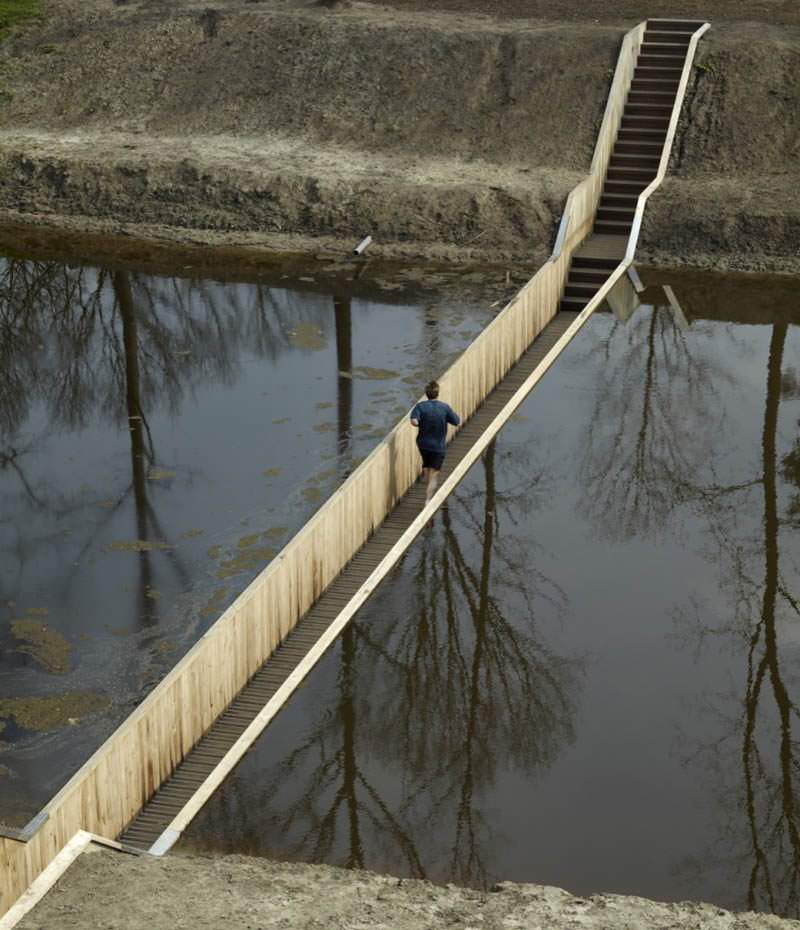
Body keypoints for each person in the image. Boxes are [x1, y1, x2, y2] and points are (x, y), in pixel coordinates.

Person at [410, 380, 460, 504]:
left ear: (426, 394)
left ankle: (427, 488)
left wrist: (419, 422)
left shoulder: (420, 406)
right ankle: (428, 499)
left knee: (427, 467)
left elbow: (414, 421)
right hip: (438, 446)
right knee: (434, 473)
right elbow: (456, 421)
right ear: (437, 393)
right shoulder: (444, 407)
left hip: (423, 444)